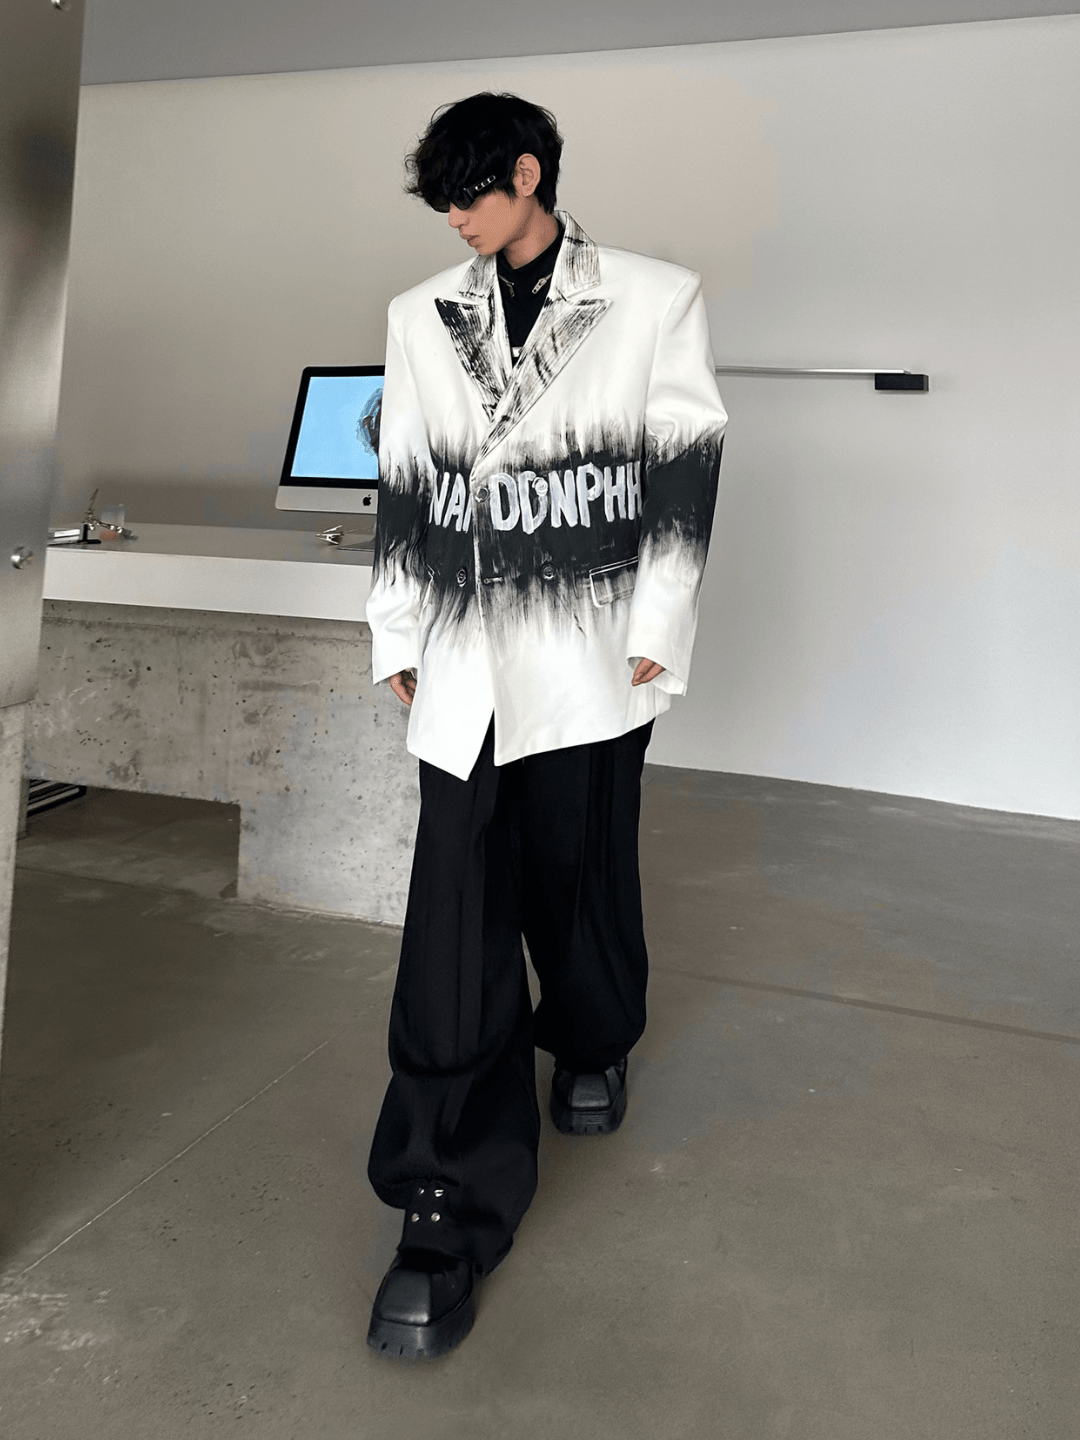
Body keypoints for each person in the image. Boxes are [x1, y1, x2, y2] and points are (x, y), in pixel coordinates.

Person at [364, 91, 727, 1360]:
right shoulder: (421, 314)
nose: (455, 222)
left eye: (468, 196)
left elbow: (683, 462)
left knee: (578, 874)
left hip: (589, 646)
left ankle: (590, 1037)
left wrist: (662, 617)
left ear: (527, 175)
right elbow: (405, 474)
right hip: (466, 658)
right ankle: (444, 1199)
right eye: (443, 206)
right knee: (453, 917)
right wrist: (396, 630)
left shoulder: (651, 297)